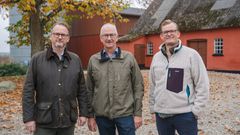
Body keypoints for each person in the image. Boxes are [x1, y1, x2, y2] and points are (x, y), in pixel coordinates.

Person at [22, 22, 89, 135]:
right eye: (56, 34)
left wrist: (83, 113)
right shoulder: (37, 60)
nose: (60, 37)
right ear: (51, 36)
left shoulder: (75, 60)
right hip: (44, 120)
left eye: (63, 35)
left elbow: (82, 90)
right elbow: (28, 91)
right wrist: (29, 118)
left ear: (68, 38)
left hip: (68, 120)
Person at [149, 19, 209, 135]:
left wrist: (196, 111)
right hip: (162, 116)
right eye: (165, 32)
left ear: (178, 34)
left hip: (185, 115)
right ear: (161, 36)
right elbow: (153, 85)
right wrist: (153, 109)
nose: (169, 34)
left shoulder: (191, 55)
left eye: (172, 31)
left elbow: (202, 84)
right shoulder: (156, 57)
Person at [86, 23, 144, 135]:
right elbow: (89, 90)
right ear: (100, 38)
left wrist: (137, 114)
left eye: (112, 35)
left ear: (117, 37)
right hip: (102, 116)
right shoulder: (94, 60)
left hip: (125, 114)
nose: (109, 38)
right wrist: (90, 116)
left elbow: (138, 86)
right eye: (105, 35)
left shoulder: (129, 58)